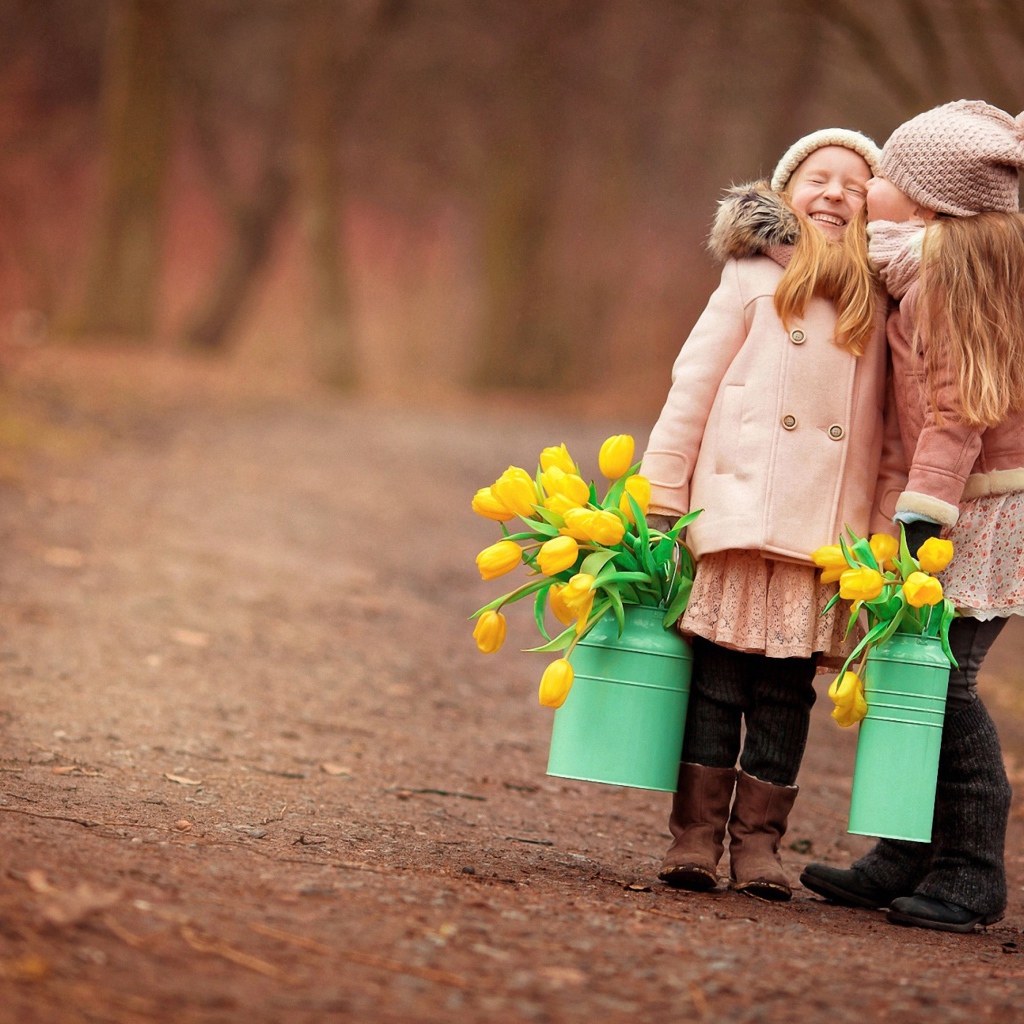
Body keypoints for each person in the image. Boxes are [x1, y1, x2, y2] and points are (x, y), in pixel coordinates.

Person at [641, 129, 905, 900]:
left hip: (819, 535)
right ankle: (694, 836)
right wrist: (664, 487)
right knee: (719, 683)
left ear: (869, 208)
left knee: (787, 694)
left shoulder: (873, 292)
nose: (833, 194)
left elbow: (885, 432)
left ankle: (759, 845)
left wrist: (882, 530)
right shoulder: (750, 275)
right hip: (737, 514)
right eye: (818, 178)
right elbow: (694, 382)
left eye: (853, 186)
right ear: (788, 191)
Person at [801, 99, 1024, 933]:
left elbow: (958, 407)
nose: (872, 186)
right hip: (957, 503)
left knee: (946, 680)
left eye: (888, 176)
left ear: (929, 204)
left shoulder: (943, 278)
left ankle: (970, 869)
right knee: (910, 673)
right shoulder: (922, 267)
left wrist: (921, 515)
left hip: (976, 510)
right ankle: (907, 849)